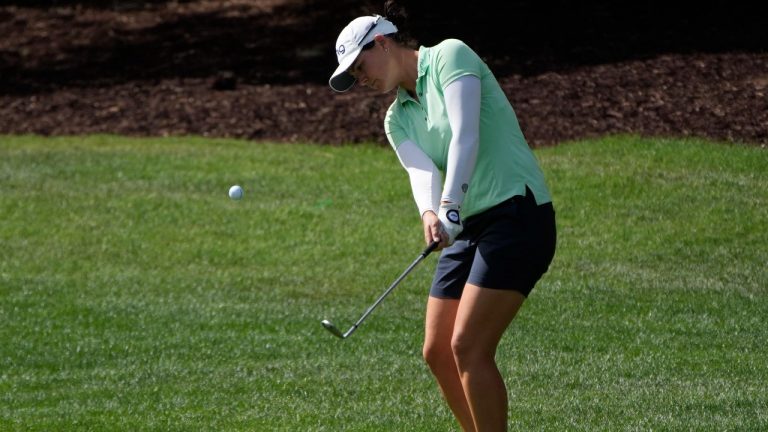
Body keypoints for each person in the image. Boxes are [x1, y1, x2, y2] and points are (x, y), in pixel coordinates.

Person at [329, 7, 557, 432]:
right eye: (353, 75)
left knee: (468, 345)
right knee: (436, 350)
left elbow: (465, 132)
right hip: (469, 227)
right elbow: (421, 172)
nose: (360, 79)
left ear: (383, 42)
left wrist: (450, 203)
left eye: (360, 66)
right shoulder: (397, 118)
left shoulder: (450, 56)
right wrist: (432, 213)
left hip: (517, 213)